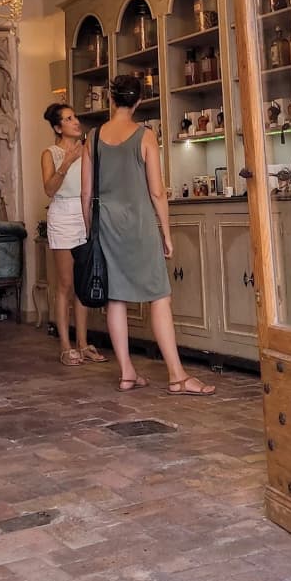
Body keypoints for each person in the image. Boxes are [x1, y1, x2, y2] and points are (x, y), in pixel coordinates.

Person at [81, 73, 215, 396]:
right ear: (139, 101)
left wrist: (91, 232)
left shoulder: (92, 138)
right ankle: (176, 375)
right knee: (159, 296)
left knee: (116, 299)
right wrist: (166, 233)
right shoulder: (145, 135)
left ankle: (127, 372)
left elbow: (85, 195)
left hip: (107, 227)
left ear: (111, 99)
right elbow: (157, 191)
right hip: (139, 224)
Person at [41, 103, 107, 367]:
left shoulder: (88, 148)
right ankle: (66, 345)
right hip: (62, 215)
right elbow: (49, 189)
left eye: (75, 116)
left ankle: (83, 342)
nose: (75, 121)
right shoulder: (50, 153)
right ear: (58, 127)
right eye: (69, 119)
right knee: (66, 284)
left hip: (85, 213)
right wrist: (67, 162)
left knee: (84, 280)